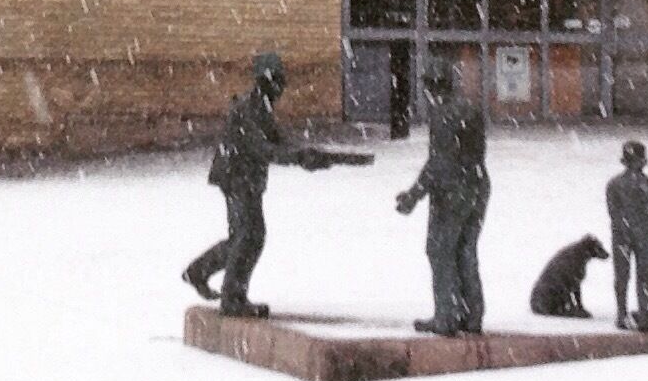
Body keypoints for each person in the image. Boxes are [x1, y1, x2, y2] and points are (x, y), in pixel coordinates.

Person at [183, 53, 363, 317]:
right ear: (263, 81)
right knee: (250, 236)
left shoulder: (261, 108)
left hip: (245, 178)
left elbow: (280, 141)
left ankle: (199, 271)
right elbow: (263, 148)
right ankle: (232, 298)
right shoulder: (248, 108)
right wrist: (297, 157)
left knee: (244, 236)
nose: (281, 87)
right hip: (237, 178)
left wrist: (309, 154)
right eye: (276, 80)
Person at [396, 65, 490, 335]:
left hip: (453, 190)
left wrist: (414, 195)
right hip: (478, 184)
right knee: (466, 251)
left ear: (430, 86)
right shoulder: (469, 108)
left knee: (440, 251)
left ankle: (446, 317)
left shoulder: (443, 114)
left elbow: (439, 162)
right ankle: (472, 316)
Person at [604, 139, 648, 330]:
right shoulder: (617, 185)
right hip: (631, 235)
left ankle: (640, 315)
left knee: (639, 276)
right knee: (627, 276)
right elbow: (615, 212)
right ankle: (624, 315)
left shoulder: (647, 186)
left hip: (634, 235)